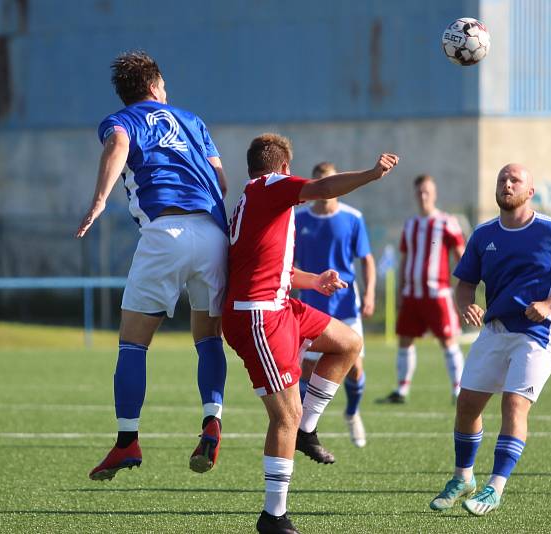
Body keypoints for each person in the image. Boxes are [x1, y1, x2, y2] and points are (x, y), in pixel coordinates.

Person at [222, 133, 398, 533]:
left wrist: (314, 280)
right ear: (284, 168)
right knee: (285, 415)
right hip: (259, 316)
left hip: (282, 305)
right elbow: (324, 187)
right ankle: (274, 515)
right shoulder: (271, 187)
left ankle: (307, 431)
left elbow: (269, 267)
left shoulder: (253, 199)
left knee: (349, 343)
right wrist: (371, 174)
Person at [76, 51, 230, 480]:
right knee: (207, 337)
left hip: (166, 235)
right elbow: (220, 181)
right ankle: (212, 420)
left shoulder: (121, 120)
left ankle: (127, 441)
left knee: (133, 343)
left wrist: (100, 200)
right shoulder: (193, 120)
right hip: (213, 234)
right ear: (155, 86)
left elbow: (118, 144)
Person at [429, 163, 551, 516]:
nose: (506, 184)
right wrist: (465, 305)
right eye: (502, 179)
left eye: (515, 180)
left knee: (514, 406)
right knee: (467, 403)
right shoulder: (484, 234)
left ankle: (494, 488)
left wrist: (550, 304)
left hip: (538, 333)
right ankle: (464, 477)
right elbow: (465, 284)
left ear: (529, 191)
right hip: (495, 328)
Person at [295, 162, 376, 449]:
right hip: (310, 304)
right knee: (305, 368)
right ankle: (304, 427)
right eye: (319, 183)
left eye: (329, 182)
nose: (325, 189)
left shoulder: (353, 218)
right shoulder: (298, 219)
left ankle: (352, 412)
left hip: (345, 306)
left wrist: (369, 295)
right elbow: (288, 263)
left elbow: (366, 259)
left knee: (354, 368)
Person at [379, 174, 465, 404]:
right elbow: (405, 258)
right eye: (419, 191)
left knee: (448, 340)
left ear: (434, 193)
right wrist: (400, 290)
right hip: (412, 295)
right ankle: (401, 390)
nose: (423, 195)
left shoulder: (447, 222)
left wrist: (462, 286)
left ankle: (458, 390)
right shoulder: (410, 224)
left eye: (427, 191)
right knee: (405, 340)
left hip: (438, 294)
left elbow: (461, 256)